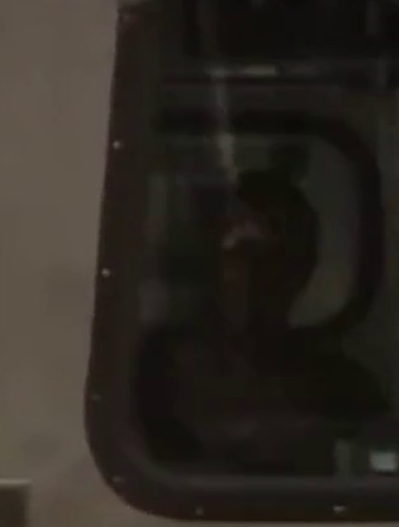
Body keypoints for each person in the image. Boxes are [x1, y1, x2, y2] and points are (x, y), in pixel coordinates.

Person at [136, 167, 386, 474]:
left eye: (284, 256)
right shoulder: (161, 363)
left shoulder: (337, 379)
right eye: (247, 255)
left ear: (306, 267)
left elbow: (380, 445)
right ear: (215, 260)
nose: (262, 275)